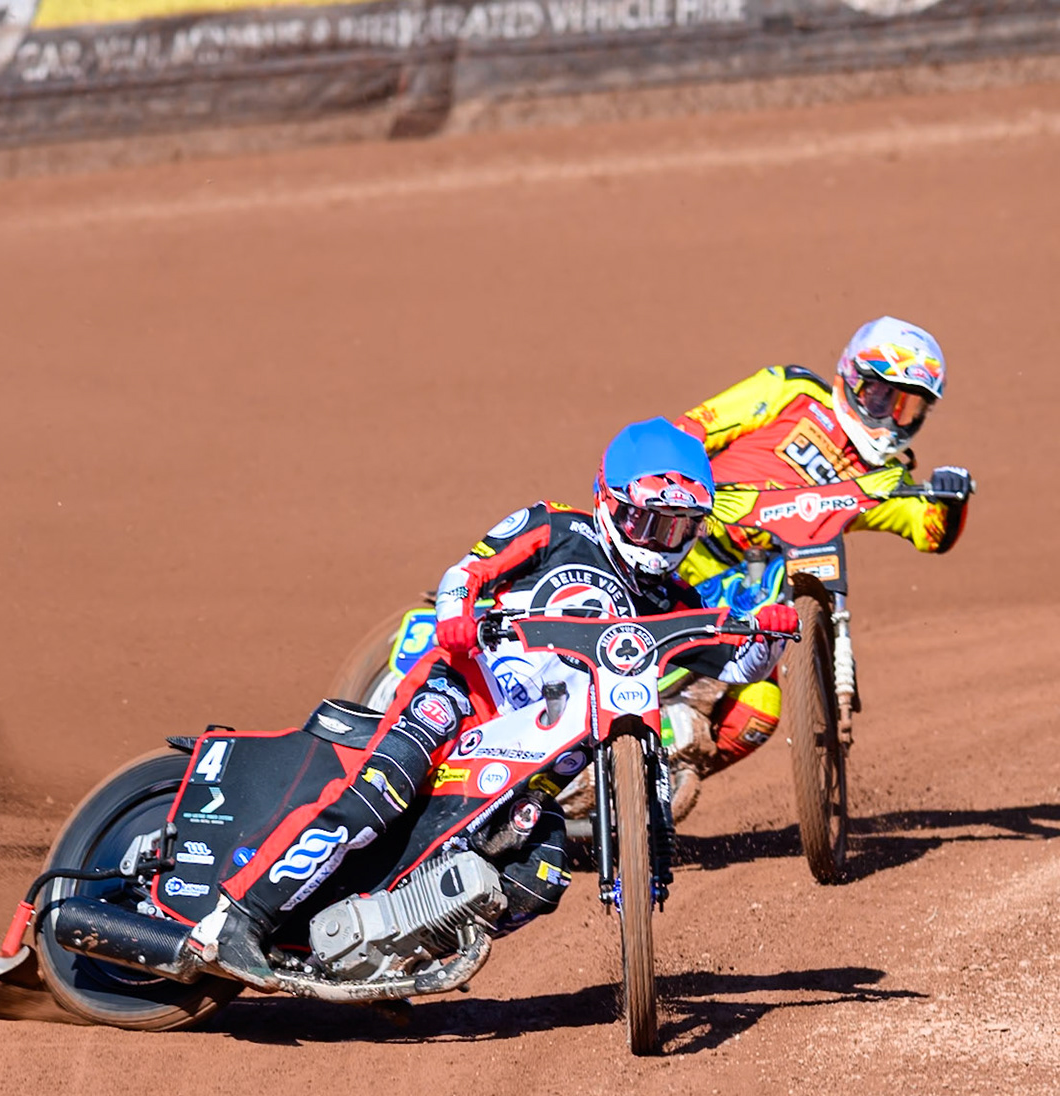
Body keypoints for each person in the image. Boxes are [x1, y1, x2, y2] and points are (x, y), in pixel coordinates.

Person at [187, 418, 798, 988]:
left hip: (535, 761)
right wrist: (455, 614)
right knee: (382, 788)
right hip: (461, 693)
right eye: (650, 522)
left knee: (540, 872)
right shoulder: (558, 528)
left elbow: (730, 666)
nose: (664, 542)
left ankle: (379, 962)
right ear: (611, 502)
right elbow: (469, 569)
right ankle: (236, 917)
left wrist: (768, 640)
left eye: (680, 528)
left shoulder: (672, 598)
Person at [667, 316, 974, 778]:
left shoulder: (882, 482)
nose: (891, 415)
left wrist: (952, 497)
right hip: (676, 554)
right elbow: (691, 429)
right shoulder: (792, 392)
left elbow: (929, 531)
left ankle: (652, 795)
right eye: (881, 394)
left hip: (751, 593)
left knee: (761, 709)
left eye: (908, 407)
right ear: (852, 379)